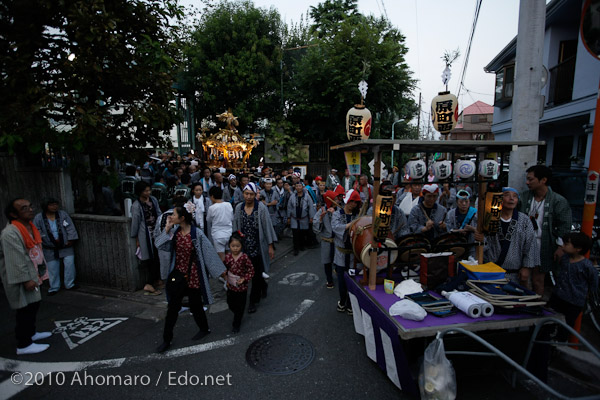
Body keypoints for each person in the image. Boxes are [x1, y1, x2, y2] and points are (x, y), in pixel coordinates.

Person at [154, 202, 226, 353]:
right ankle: (167, 339)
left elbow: (209, 253)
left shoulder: (196, 234)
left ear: (182, 218)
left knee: (196, 305)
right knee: (172, 308)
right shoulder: (174, 232)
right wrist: (166, 229)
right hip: (178, 276)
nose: (171, 217)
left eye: (173, 214)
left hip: (193, 276)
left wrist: (223, 273)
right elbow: (160, 246)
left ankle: (204, 328)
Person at [1, 198, 52, 355]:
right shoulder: (10, 233)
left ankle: (31, 333)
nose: (30, 210)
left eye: (30, 206)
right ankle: (24, 344)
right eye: (24, 208)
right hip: (22, 276)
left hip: (33, 271)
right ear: (13, 214)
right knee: (25, 309)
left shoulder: (29, 226)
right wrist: (26, 279)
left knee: (33, 305)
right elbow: (16, 259)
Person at [520, 165, 572, 295]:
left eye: (530, 179)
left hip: (543, 242)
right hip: (523, 242)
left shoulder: (558, 200)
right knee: (522, 276)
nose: (527, 182)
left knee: (538, 278)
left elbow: (564, 224)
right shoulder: (523, 197)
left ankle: (537, 305)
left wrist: (560, 246)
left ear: (543, 180)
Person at [474, 187, 540, 287]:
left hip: (515, 273)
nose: (511, 198)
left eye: (515, 196)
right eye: (507, 195)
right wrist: (481, 239)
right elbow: (483, 242)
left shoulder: (525, 220)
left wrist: (527, 267)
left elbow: (530, 244)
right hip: (491, 271)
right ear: (500, 198)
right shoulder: (489, 218)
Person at [232, 183, 277, 314]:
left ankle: (252, 301)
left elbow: (267, 227)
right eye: (246, 194)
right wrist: (234, 245)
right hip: (244, 247)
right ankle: (263, 285)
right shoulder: (239, 208)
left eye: (251, 194)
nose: (249, 197)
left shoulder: (261, 208)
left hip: (258, 246)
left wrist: (270, 246)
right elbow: (235, 227)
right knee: (245, 274)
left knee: (256, 274)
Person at [550, 232, 598, 340]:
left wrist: (588, 294)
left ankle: (560, 346)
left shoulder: (586, 265)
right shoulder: (565, 258)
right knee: (550, 322)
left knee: (566, 327)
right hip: (558, 296)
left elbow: (593, 281)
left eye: (567, 244)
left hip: (574, 302)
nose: (563, 246)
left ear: (578, 248)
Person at [33, 198, 79, 295]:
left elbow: (70, 227)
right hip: (49, 246)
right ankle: (54, 287)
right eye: (51, 205)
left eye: (56, 204)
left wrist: (71, 239)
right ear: (46, 206)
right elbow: (37, 231)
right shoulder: (39, 218)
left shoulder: (63, 215)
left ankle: (70, 284)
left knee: (69, 264)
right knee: (52, 268)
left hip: (65, 244)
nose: (54, 207)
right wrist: (46, 240)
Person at [331, 189, 363, 314]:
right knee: (341, 281)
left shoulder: (358, 215)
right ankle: (342, 301)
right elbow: (335, 228)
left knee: (353, 281)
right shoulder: (337, 214)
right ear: (347, 201)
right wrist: (351, 224)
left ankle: (351, 305)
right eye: (352, 201)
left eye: (356, 202)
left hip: (353, 255)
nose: (354, 204)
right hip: (340, 253)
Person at [131, 181, 162, 295]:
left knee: (157, 257)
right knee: (151, 259)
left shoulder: (153, 200)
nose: (148, 192)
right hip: (146, 234)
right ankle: (149, 283)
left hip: (156, 232)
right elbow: (135, 222)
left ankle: (155, 280)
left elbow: (158, 213)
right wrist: (135, 237)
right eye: (145, 191)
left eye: (149, 190)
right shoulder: (136, 205)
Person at [224, 232, 255, 333]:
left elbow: (251, 270)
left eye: (238, 246)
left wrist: (244, 279)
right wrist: (224, 275)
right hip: (231, 285)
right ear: (229, 246)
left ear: (241, 246)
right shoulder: (227, 257)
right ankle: (237, 313)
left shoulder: (244, 257)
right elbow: (225, 268)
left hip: (242, 286)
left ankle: (236, 324)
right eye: (233, 246)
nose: (235, 248)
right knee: (230, 303)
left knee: (240, 305)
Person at [313, 190, 338, 289]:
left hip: (337, 241)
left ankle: (338, 274)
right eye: (335, 199)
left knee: (338, 261)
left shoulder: (339, 210)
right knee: (327, 262)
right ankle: (329, 279)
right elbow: (316, 228)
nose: (337, 201)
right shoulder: (322, 210)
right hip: (326, 241)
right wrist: (320, 219)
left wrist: (335, 214)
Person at [288, 181, 316, 256]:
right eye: (297, 186)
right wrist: (288, 217)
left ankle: (302, 246)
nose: (298, 188)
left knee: (302, 233)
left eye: (300, 186)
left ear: (302, 187)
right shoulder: (292, 196)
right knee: (295, 233)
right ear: (295, 187)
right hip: (294, 218)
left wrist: (311, 217)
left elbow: (310, 207)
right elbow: (289, 207)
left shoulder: (307, 196)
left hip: (304, 217)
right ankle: (296, 248)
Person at [206, 186, 233, 261]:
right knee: (229, 255)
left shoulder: (212, 208)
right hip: (229, 233)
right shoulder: (228, 205)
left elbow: (208, 220)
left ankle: (224, 272)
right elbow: (232, 218)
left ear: (212, 196)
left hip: (218, 235)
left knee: (221, 258)